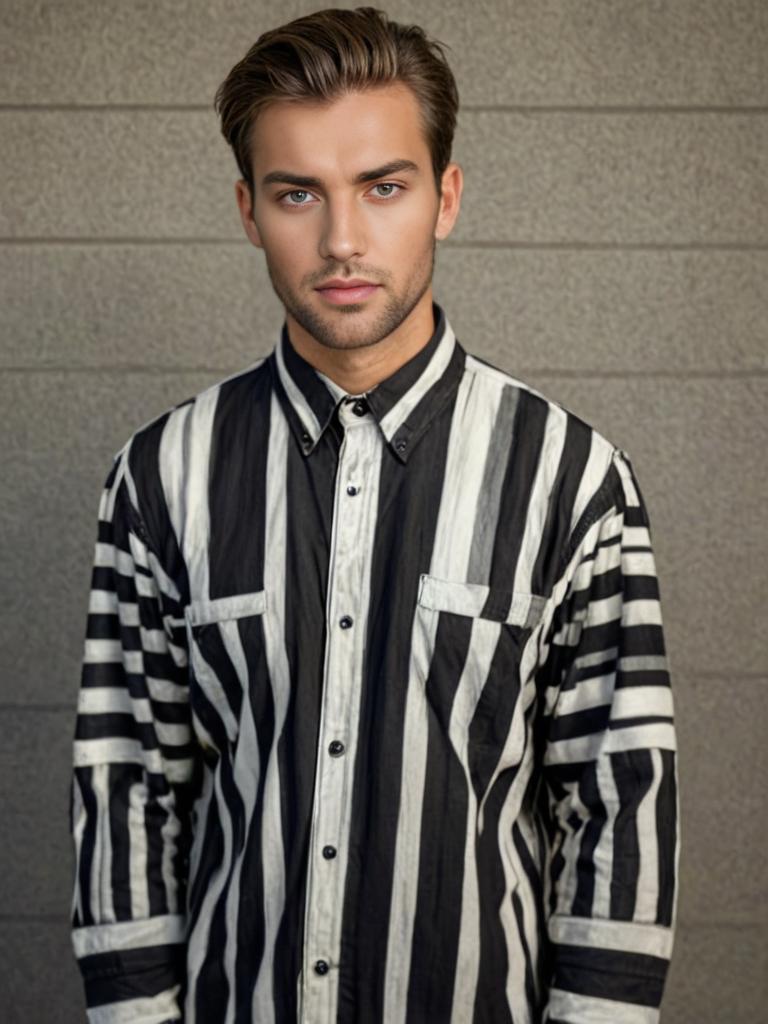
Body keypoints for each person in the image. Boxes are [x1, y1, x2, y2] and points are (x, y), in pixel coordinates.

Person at [68, 7, 679, 1023]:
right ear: (247, 208)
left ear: (445, 196)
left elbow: (618, 810)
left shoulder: (574, 478)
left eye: (382, 187)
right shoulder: (159, 476)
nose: (342, 239)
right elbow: (127, 798)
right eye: (296, 192)